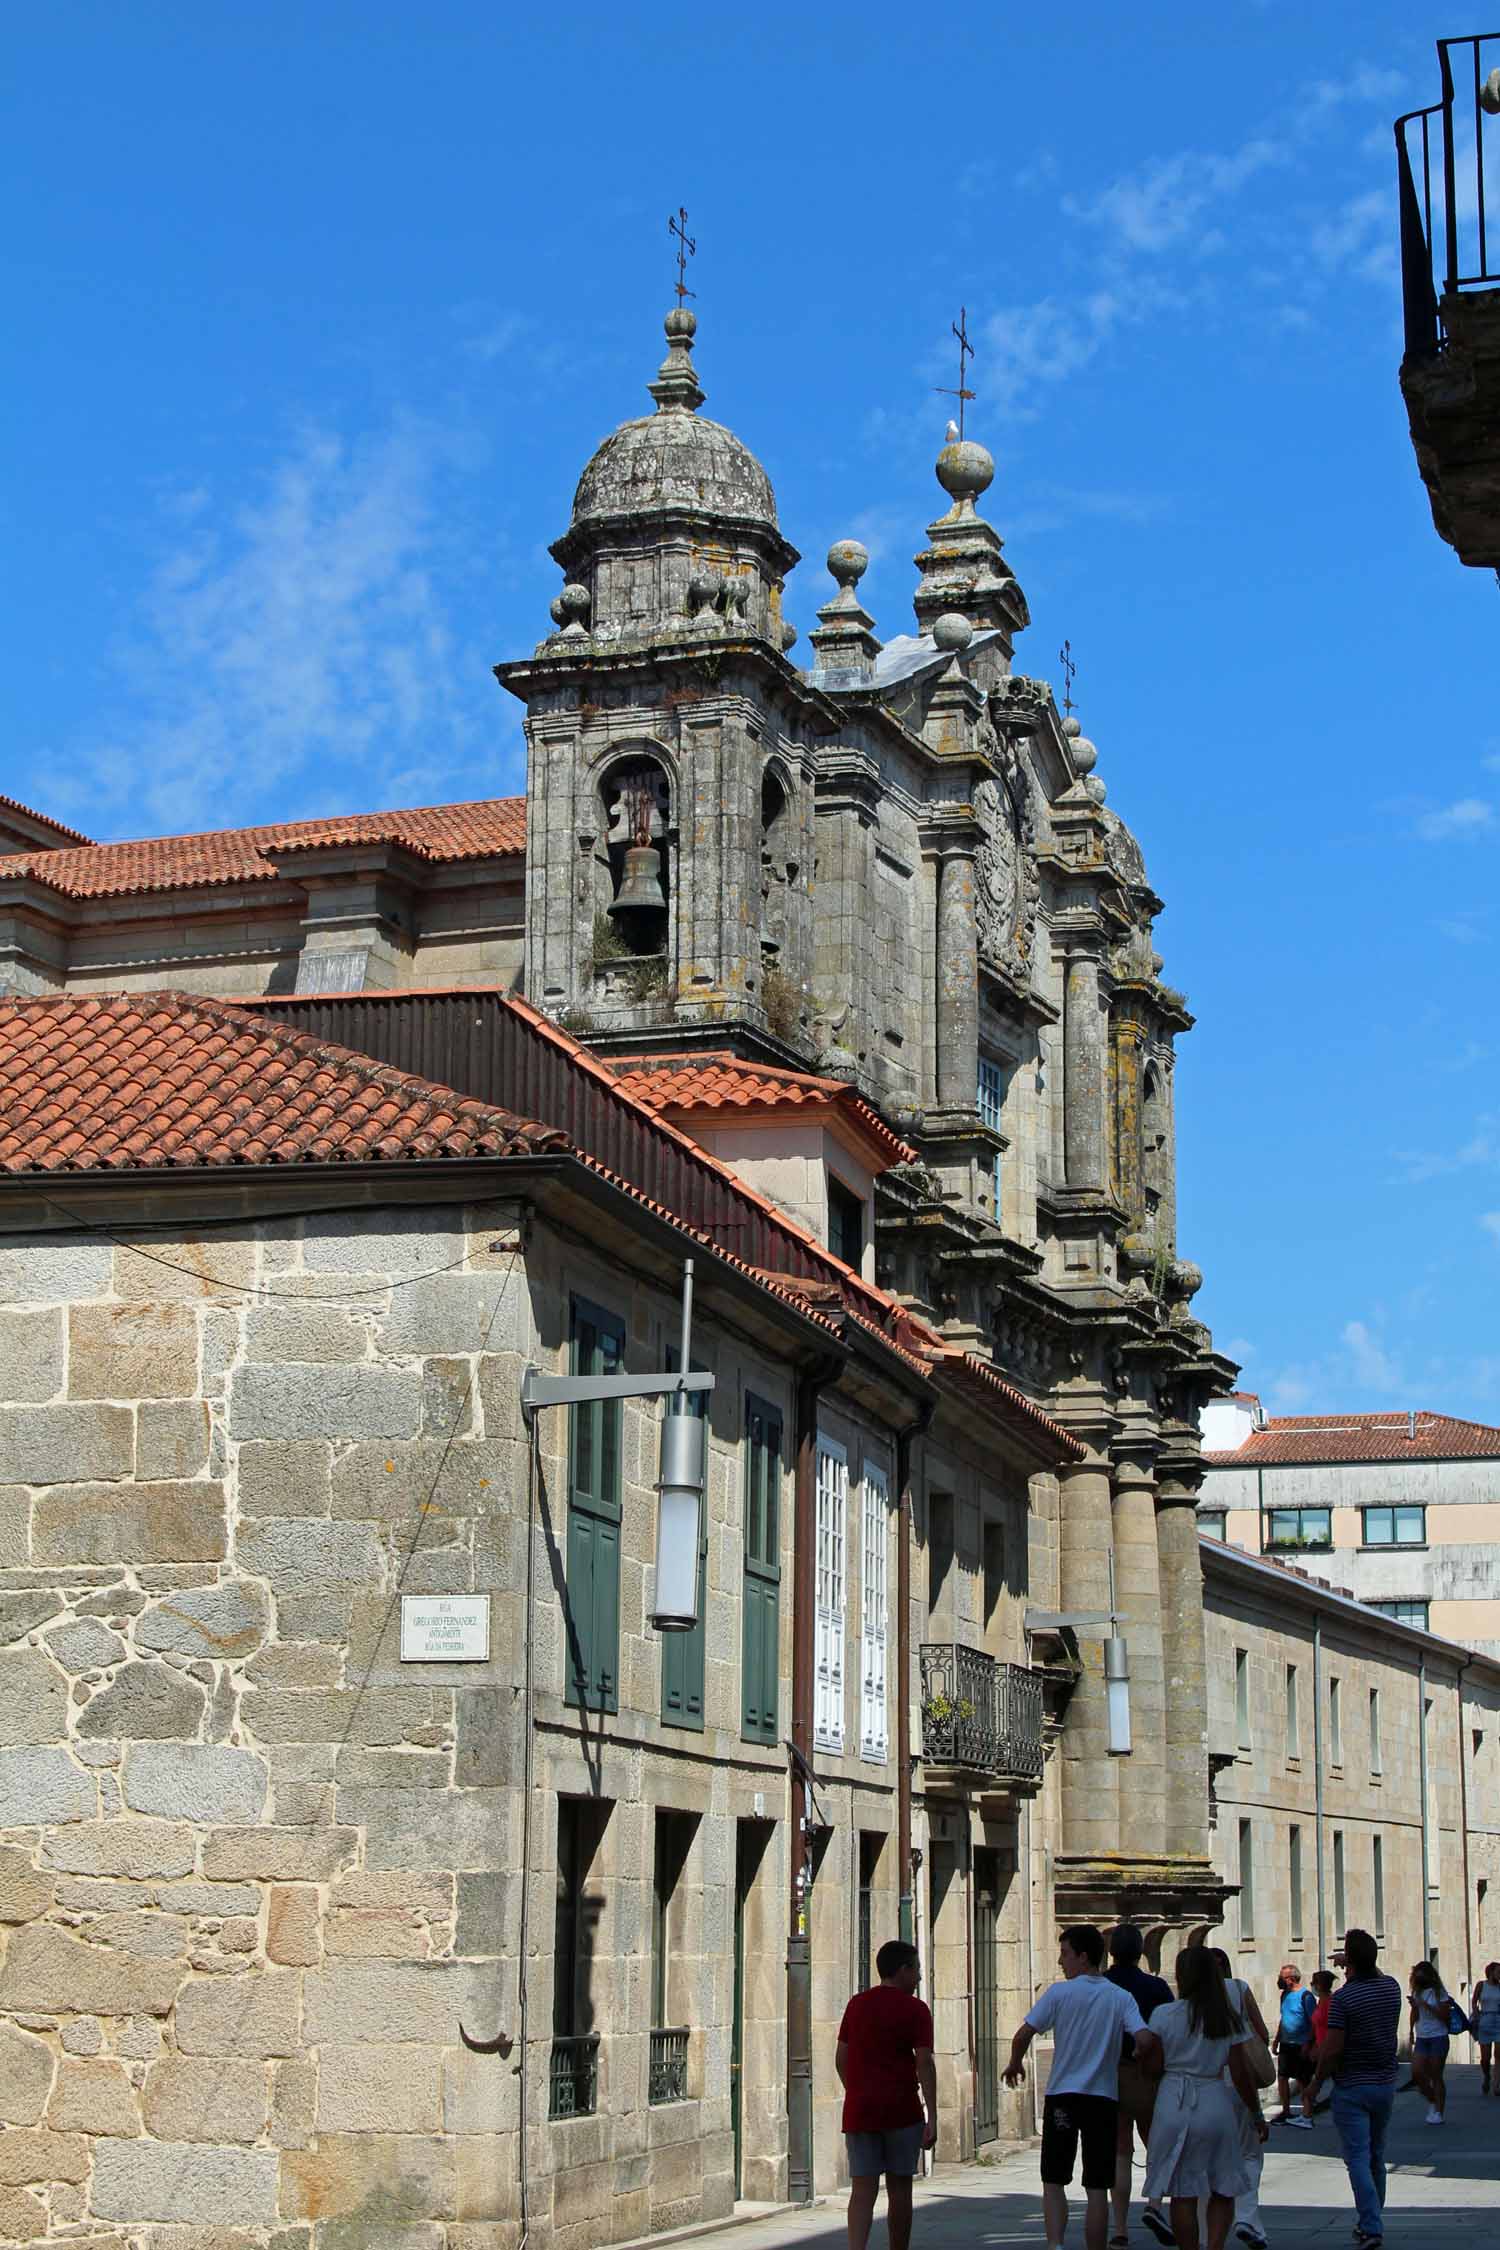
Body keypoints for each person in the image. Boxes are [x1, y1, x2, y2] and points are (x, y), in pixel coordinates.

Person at [1004, 1924, 1163, 2250]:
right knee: (1096, 2185)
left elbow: (1023, 2034)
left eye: (1065, 1954)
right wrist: (1137, 2051)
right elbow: (1146, 2037)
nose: (1061, 1962)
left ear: (1083, 1956)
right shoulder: (1120, 1998)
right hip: (1102, 2099)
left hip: (1063, 2096)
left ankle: (1055, 2245)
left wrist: (1015, 2062)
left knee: (1053, 2179)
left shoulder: (1060, 1993)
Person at [1140, 1946, 1265, 2250]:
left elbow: (1153, 2068)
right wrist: (1256, 2114)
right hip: (1214, 2099)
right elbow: (1240, 2073)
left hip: (1174, 2099)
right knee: (1223, 2188)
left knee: (1183, 2192)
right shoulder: (1226, 2018)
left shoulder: (1163, 2015)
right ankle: (1215, 2247)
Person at [1300, 1928, 1403, 2249]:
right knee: (1376, 2156)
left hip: (1352, 2086)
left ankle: (1371, 2226)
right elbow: (1377, 1979)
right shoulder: (1391, 1987)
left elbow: (1332, 2049)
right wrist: (1360, 1962)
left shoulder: (1344, 1998)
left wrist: (1315, 2084)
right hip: (1384, 2084)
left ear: (1351, 1962)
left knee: (1357, 2158)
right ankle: (1371, 2220)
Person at [835, 1939, 937, 2250]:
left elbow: (841, 2058)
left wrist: (857, 2090)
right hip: (901, 2110)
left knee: (862, 2190)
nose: (919, 1978)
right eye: (916, 1970)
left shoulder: (857, 2004)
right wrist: (932, 2114)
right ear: (903, 1970)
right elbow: (924, 2063)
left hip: (860, 2110)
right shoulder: (916, 2010)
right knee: (900, 2188)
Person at [1106, 1923, 1174, 2248]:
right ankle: (1155, 2205)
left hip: (1111, 2076)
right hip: (1148, 2074)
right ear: (1141, 1952)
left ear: (1111, 1952)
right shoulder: (1157, 1986)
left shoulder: (1101, 1986)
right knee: (1156, 2144)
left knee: (1120, 2152)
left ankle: (1119, 2228)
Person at [1207, 1948, 1271, 2250]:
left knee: (1210, 2161)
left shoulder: (1189, 2002)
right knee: (1249, 2154)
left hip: (1205, 2089)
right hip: (1237, 2085)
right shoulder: (1239, 1988)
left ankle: (1217, 2232)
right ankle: (1246, 2217)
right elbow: (1262, 2033)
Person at [1406, 1961, 1452, 2123]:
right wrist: (1411, 2029)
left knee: (1436, 2074)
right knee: (1417, 2072)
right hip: (1422, 2036)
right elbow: (1415, 2013)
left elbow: (1445, 2015)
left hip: (1438, 2036)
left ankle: (1438, 2111)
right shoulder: (1417, 1992)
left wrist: (1426, 2005)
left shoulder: (1439, 1992)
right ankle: (1433, 2099)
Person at [1271, 1965, 1315, 2128]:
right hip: (1286, 2044)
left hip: (1301, 2045)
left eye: (1282, 1977)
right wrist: (1276, 2040)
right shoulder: (1284, 1995)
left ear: (1291, 1979)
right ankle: (1286, 2111)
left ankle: (1307, 2114)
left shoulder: (1306, 1997)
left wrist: (1308, 2043)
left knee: (1303, 2080)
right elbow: (1284, 2018)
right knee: (1282, 2077)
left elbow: (1313, 2023)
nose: (1280, 1980)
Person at [1473, 1960, 1500, 2095]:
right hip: (1485, 2020)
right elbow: (1474, 2001)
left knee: (1499, 2054)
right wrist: (1476, 2014)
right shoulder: (1481, 1985)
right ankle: (1487, 2076)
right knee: (1485, 2057)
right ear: (1491, 1972)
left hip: (1498, 2020)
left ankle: (1496, 2084)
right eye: (1498, 1971)